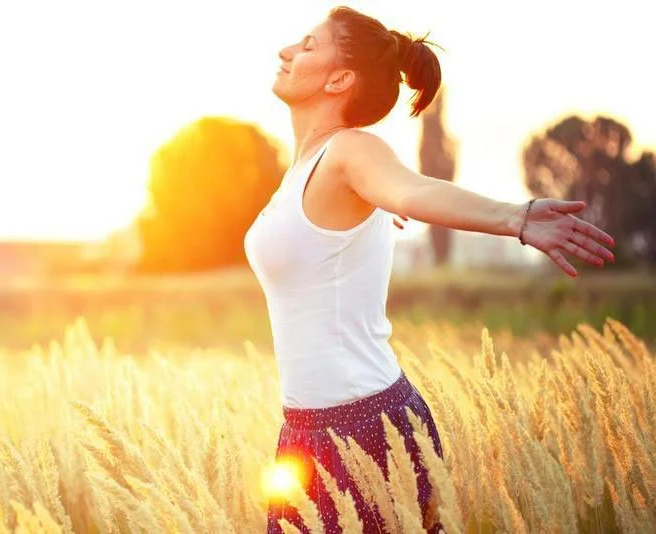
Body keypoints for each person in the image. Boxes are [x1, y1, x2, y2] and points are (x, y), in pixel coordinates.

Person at [244, 6, 616, 534]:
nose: (286, 52)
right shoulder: (308, 170)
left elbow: (413, 190)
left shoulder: (352, 150)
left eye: (307, 45)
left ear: (340, 78)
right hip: (304, 429)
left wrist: (516, 217)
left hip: (363, 427)